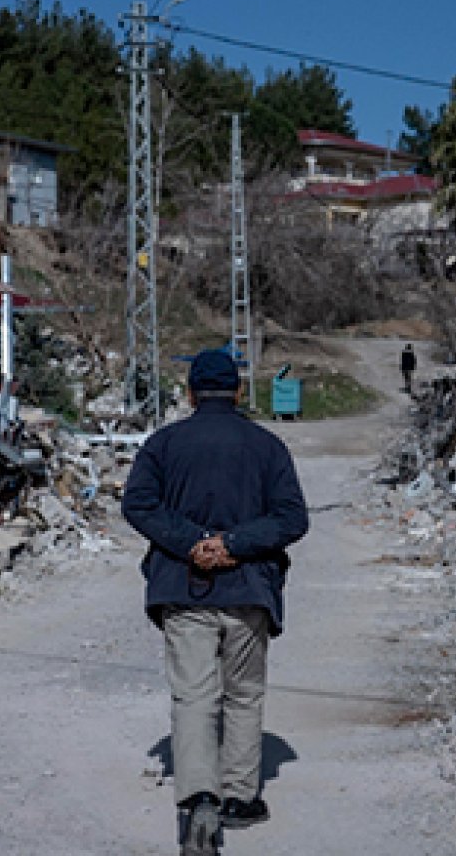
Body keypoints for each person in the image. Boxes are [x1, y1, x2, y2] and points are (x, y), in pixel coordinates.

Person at [122, 350, 309, 856]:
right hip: (249, 590)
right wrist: (234, 544)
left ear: (188, 393)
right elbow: (292, 518)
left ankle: (199, 797)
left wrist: (193, 543)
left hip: (185, 589)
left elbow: (137, 503)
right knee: (244, 694)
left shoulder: (163, 444)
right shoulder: (268, 447)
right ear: (240, 392)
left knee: (195, 697)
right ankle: (241, 796)